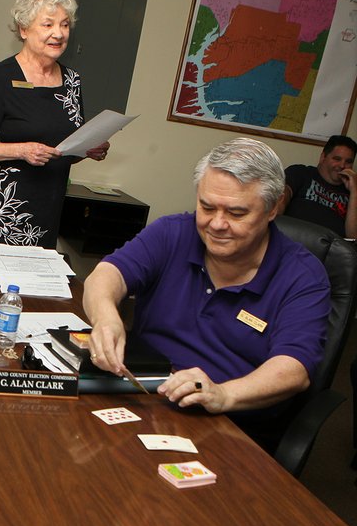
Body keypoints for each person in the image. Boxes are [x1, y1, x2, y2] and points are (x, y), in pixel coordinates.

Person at [82, 137, 330, 450]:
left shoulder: (302, 276)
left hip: (230, 427)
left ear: (274, 207)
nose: (216, 224)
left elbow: (294, 369)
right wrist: (106, 318)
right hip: (143, 399)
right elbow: (105, 276)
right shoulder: (173, 232)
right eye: (207, 207)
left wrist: (223, 394)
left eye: (237, 213)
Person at [0, 0, 110, 254]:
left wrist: (88, 149)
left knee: (34, 295)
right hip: (0, 214)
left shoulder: (72, 81)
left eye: (65, 25)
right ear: (24, 29)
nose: (59, 33)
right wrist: (21, 150)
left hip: (46, 211)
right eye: (48, 24)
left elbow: (63, 148)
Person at [279, 135, 357, 237]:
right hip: (291, 240)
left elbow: (353, 237)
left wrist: (355, 191)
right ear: (323, 157)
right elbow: (280, 198)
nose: (342, 165)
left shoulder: (352, 193)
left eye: (348, 162)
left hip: (332, 250)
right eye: (337, 159)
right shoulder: (301, 173)